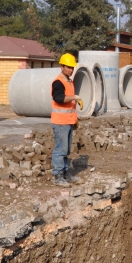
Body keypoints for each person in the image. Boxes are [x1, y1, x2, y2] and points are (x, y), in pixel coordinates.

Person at [51, 53, 83, 187]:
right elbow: (59, 98)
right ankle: (58, 176)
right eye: (69, 67)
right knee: (60, 149)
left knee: (67, 150)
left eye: (72, 67)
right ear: (62, 66)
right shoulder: (58, 82)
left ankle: (65, 173)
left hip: (68, 121)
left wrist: (74, 119)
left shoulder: (69, 81)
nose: (71, 70)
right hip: (60, 122)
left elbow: (70, 105)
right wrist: (75, 97)